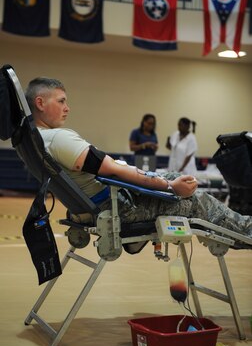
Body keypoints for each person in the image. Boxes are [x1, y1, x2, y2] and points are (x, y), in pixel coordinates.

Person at [25, 77, 252, 238]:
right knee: (196, 200)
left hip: (96, 205)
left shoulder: (35, 141)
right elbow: (113, 170)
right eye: (61, 101)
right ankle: (247, 230)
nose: (67, 108)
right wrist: (170, 186)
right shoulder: (57, 139)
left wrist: (169, 182)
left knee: (178, 178)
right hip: (116, 208)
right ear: (40, 103)